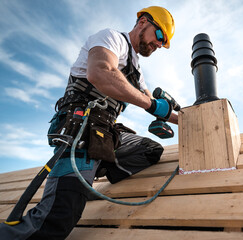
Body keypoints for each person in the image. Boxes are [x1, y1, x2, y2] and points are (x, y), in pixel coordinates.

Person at [0, 6, 176, 240]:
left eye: (164, 44)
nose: (159, 45)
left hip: (106, 133)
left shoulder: (136, 70)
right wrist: (152, 105)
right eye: (160, 36)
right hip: (81, 129)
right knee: (56, 218)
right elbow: (100, 72)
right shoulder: (112, 39)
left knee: (149, 149)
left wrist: (183, 117)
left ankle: (92, 174)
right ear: (143, 22)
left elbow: (152, 101)